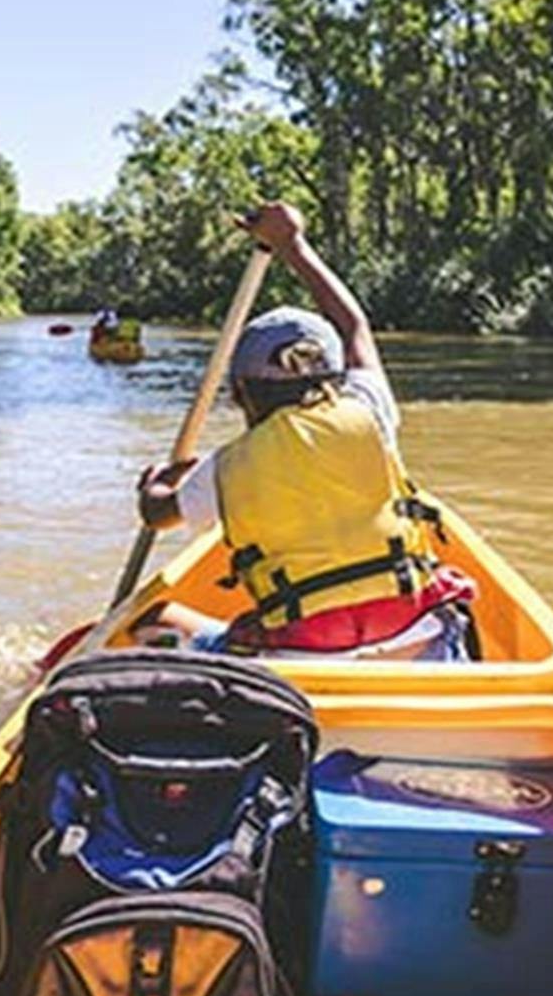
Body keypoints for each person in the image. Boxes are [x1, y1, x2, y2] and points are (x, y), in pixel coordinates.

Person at [134, 201, 476, 661]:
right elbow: (354, 327)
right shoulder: (368, 408)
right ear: (333, 380)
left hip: (303, 658)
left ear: (239, 394)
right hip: (415, 638)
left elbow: (158, 514)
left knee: (153, 623)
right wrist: (292, 244)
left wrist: (156, 483)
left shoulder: (224, 470)